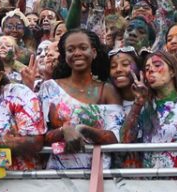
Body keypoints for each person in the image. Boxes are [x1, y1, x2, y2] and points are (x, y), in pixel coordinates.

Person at [40, 29, 123, 171]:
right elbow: (41, 137)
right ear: (65, 55)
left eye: (83, 48)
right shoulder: (49, 88)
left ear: (94, 52)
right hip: (57, 176)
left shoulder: (108, 91)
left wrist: (84, 129)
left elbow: (116, 138)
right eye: (71, 49)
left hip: (98, 176)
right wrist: (63, 131)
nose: (77, 53)